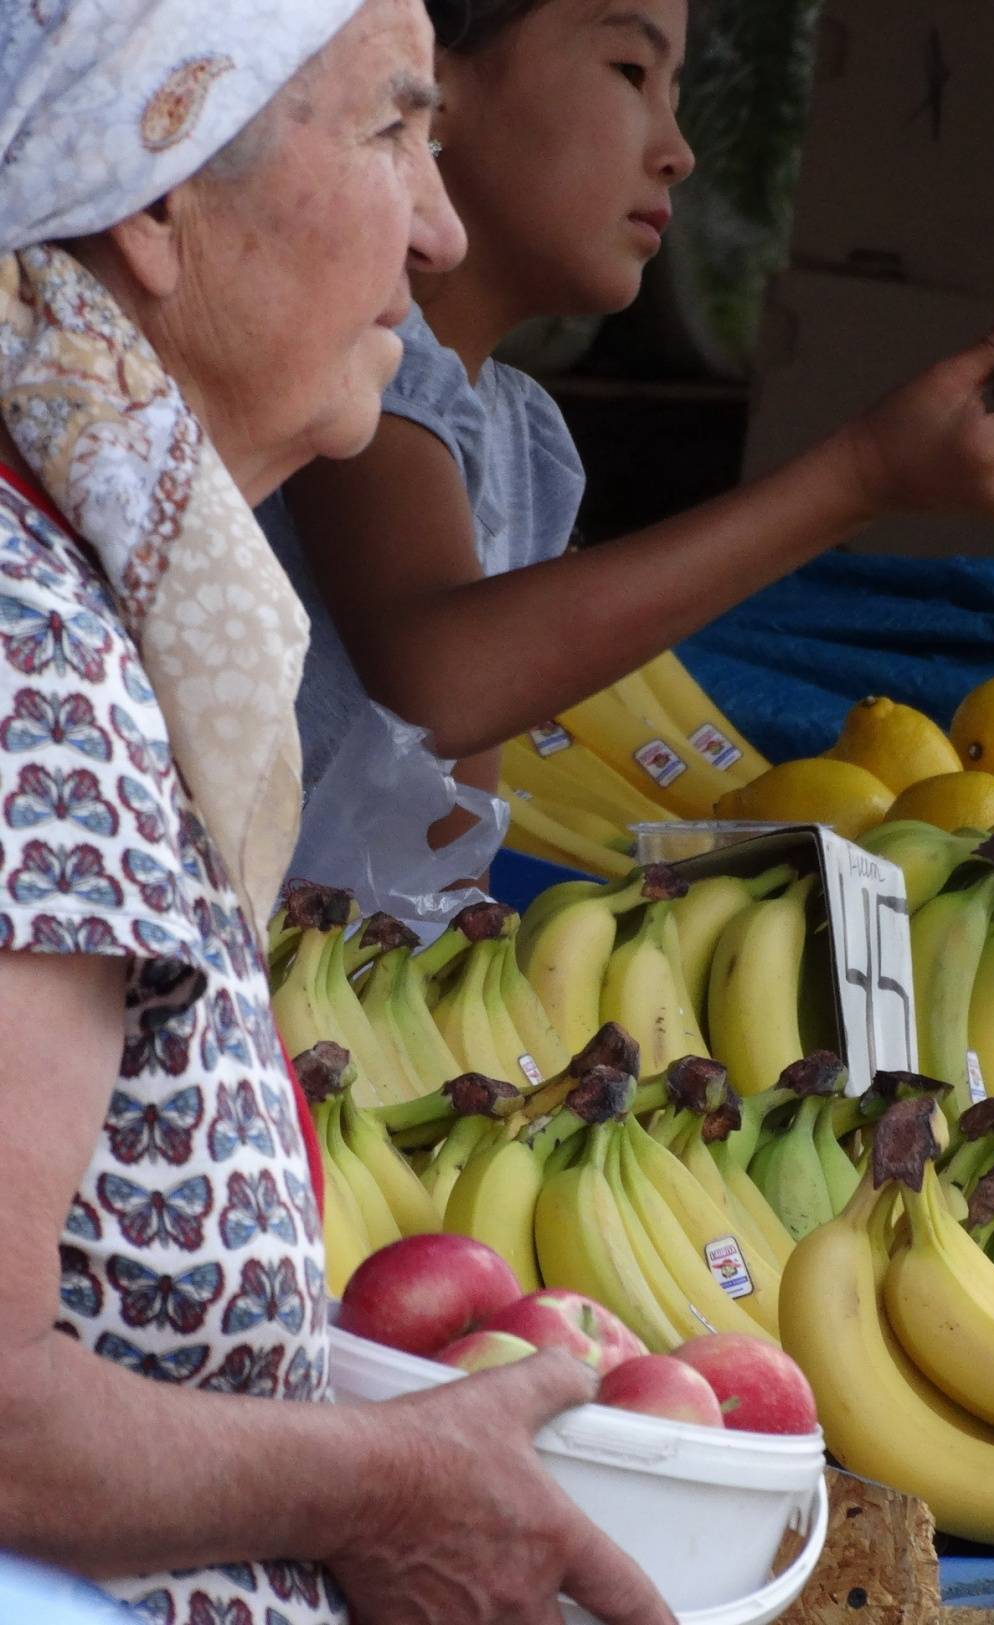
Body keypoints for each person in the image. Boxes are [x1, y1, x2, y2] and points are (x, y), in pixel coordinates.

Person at [0, 5, 673, 1623]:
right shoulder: (28, 651)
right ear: (154, 202)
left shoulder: (83, 606)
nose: (438, 227)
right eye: (390, 133)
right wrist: (389, 1486)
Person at [262, 0, 994, 848]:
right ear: (430, 80)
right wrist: (863, 475)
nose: (677, 152)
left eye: (674, 95)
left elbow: (447, 831)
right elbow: (442, 679)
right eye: (631, 71)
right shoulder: (360, 359)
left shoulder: (524, 440)